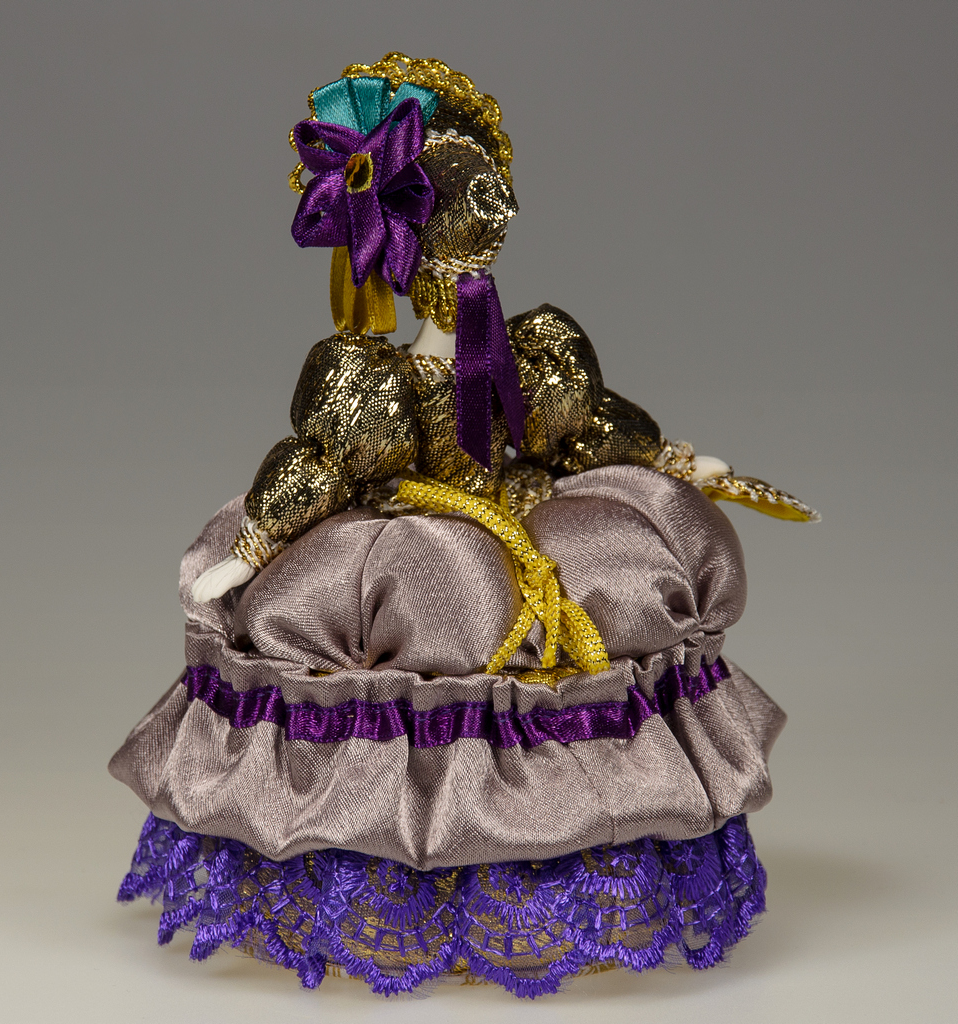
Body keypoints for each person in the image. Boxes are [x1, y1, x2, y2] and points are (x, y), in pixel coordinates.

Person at [110, 53, 818, 998]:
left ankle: (544, 863)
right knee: (420, 624)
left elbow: (581, 425)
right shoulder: (378, 382)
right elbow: (327, 465)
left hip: (517, 508)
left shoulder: (524, 351)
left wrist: (675, 461)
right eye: (482, 199)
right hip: (424, 529)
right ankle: (403, 878)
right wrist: (252, 548)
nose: (503, 213)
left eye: (499, 197)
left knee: (603, 590)